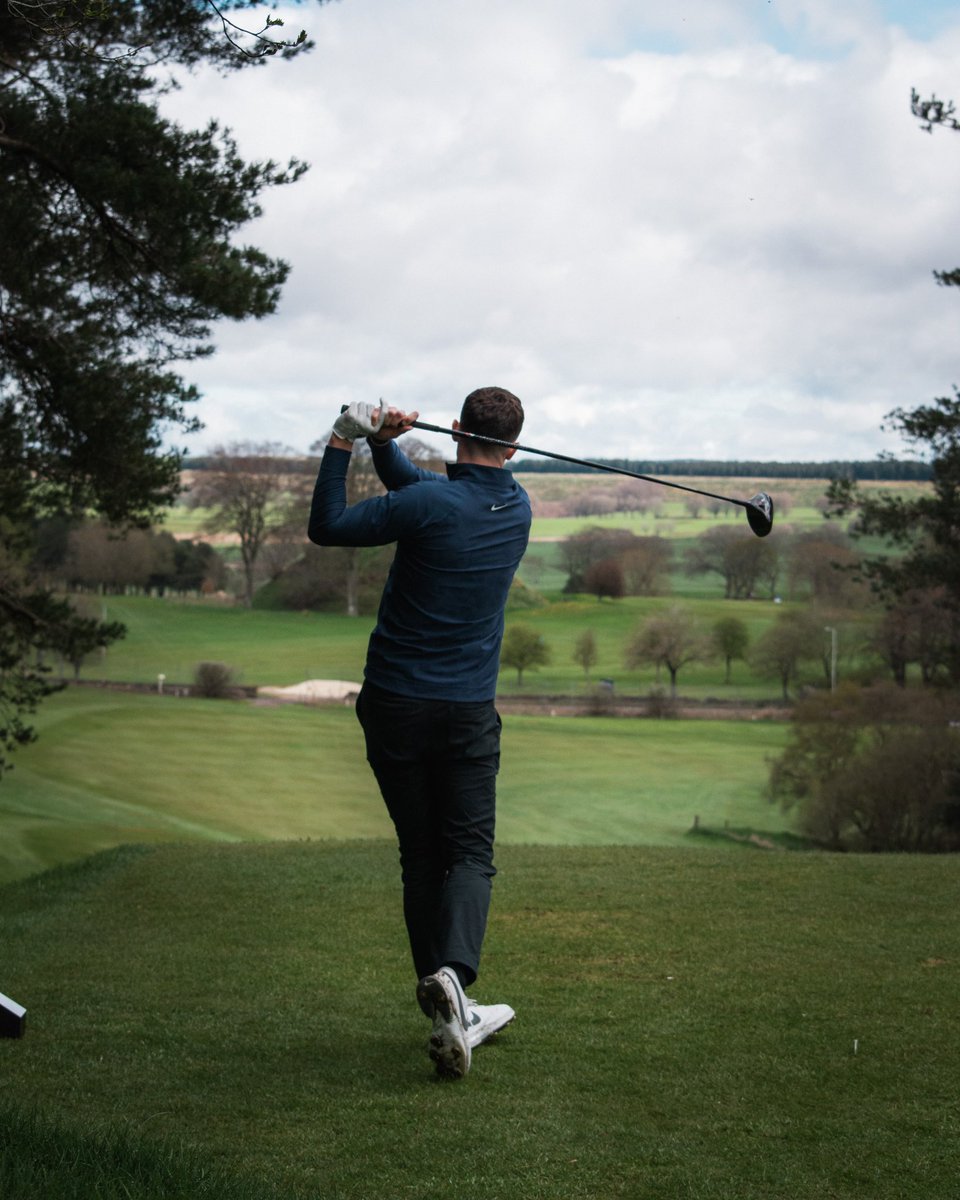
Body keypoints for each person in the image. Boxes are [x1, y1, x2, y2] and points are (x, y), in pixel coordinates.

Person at [308, 387, 532, 1080]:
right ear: (514, 449)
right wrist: (384, 445)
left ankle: (449, 1004)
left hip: (396, 706)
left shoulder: (432, 505)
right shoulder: (517, 507)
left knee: (420, 855)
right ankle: (454, 980)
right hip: (465, 712)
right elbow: (425, 495)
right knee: (469, 853)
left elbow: (330, 525)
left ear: (458, 429)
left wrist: (344, 440)